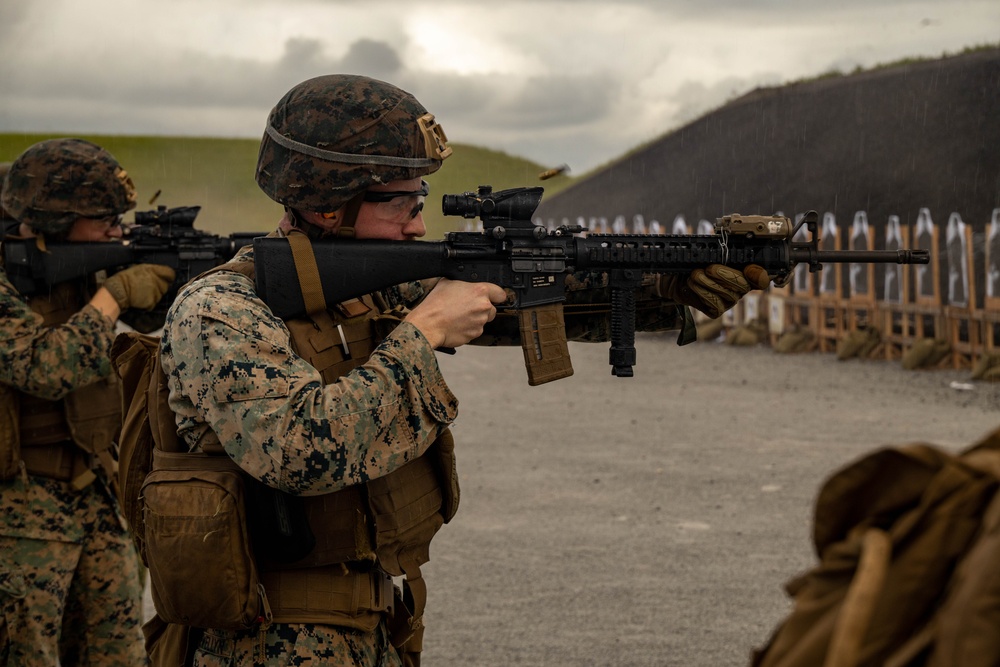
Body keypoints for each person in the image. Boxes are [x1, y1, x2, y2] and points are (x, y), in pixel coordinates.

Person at [155, 74, 769, 666]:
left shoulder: (364, 289)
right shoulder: (221, 310)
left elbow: (532, 301)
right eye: (399, 201)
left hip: (366, 626)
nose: (419, 222)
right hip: (265, 640)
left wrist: (667, 283)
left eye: (420, 199)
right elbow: (299, 452)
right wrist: (423, 334)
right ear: (327, 204)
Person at [0, 138, 176, 666]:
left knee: (118, 656)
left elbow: (153, 320)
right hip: (19, 512)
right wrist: (116, 293)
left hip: (97, 494)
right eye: (103, 218)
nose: (115, 230)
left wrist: (172, 280)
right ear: (52, 219)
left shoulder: (83, 267)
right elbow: (45, 368)